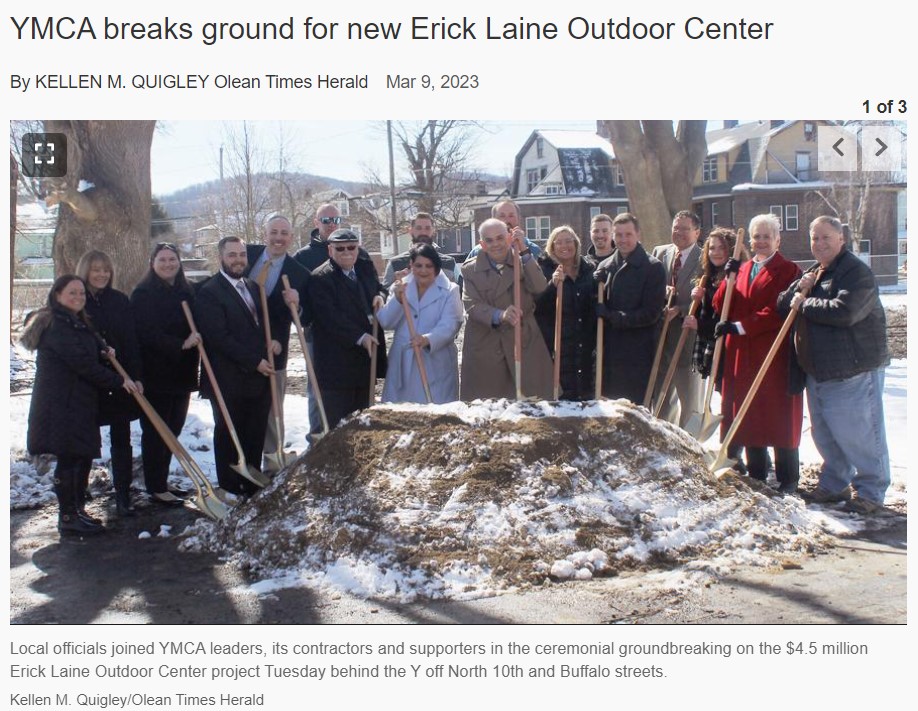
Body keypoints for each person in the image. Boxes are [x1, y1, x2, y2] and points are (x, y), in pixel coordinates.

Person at [777, 216, 890, 512]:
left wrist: (804, 304)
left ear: (841, 239)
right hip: (818, 370)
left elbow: (846, 311)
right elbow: (782, 305)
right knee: (825, 433)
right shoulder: (815, 273)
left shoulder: (856, 272)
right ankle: (834, 483)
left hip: (852, 369)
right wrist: (796, 290)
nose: (819, 243)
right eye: (815, 238)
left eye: (826, 237)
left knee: (861, 433)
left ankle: (870, 492)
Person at [23, 276, 138, 535]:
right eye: (72, 293)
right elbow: (82, 365)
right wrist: (120, 381)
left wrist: (103, 350)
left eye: (81, 293)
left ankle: (77, 510)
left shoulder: (76, 321)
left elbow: (86, 352)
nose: (78, 297)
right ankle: (67, 517)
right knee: (69, 458)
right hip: (62, 403)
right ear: (57, 295)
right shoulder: (58, 326)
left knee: (81, 456)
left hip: (79, 401)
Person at [713, 214, 803, 493]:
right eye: (756, 237)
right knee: (747, 412)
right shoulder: (742, 269)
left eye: (767, 236)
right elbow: (720, 305)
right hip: (741, 353)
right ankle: (757, 473)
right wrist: (727, 279)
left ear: (778, 239)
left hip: (771, 352)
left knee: (776, 414)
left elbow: (780, 311)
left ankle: (788, 477)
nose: (761, 242)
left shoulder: (788, 271)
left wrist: (741, 326)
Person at [195, 237, 273, 497]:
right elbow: (220, 338)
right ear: (221, 258)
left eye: (241, 254)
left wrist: (271, 344)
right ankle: (229, 487)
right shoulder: (209, 292)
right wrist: (254, 361)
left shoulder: (253, 287)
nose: (238, 259)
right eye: (232, 255)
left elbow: (258, 328)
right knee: (230, 434)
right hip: (227, 379)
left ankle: (250, 484)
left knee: (255, 431)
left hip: (257, 378)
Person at [130, 243, 200, 506]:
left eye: (173, 259)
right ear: (152, 263)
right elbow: (145, 333)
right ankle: (155, 485)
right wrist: (180, 344)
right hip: (156, 373)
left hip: (182, 372)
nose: (168, 264)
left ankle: (161, 479)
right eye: (163, 259)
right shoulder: (143, 294)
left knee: (174, 427)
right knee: (157, 430)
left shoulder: (186, 291)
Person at [76, 250, 143, 517]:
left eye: (105, 270)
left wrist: (135, 376)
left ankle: (123, 494)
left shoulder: (119, 300)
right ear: (85, 271)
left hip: (119, 380)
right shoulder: (77, 300)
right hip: (89, 381)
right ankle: (78, 495)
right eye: (96, 270)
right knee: (84, 440)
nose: (102, 274)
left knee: (121, 436)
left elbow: (131, 341)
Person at [460, 218, 553, 400]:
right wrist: (500, 315)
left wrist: (525, 253)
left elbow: (540, 287)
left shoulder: (524, 262)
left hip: (522, 341)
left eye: (500, 238)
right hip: (486, 344)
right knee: (489, 408)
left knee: (532, 405)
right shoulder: (470, 270)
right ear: (482, 244)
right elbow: (471, 305)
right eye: (489, 240)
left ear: (509, 238)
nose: (496, 244)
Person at [244, 213, 310, 468]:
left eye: (284, 234)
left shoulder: (299, 274)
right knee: (243, 409)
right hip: (241, 351)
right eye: (274, 232)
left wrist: (298, 305)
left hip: (275, 350)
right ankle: (246, 463)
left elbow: (305, 320)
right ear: (265, 234)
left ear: (291, 238)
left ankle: (272, 464)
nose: (278, 238)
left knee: (272, 412)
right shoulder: (245, 256)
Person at [307, 229, 388, 432]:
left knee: (363, 419)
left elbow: (378, 287)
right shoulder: (320, 278)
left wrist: (380, 296)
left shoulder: (365, 267)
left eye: (351, 247)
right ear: (330, 250)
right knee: (339, 426)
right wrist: (360, 337)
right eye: (340, 248)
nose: (346, 252)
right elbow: (330, 318)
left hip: (365, 361)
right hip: (336, 367)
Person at [377, 243, 464, 403]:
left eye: (428, 266)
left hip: (436, 364)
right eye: (418, 265)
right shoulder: (400, 288)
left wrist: (428, 339)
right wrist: (397, 299)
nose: (423, 270)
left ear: (436, 268)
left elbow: (451, 324)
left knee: (436, 418)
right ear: (411, 265)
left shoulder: (450, 291)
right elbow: (386, 321)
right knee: (402, 419)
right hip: (403, 366)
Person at [594, 213, 666, 403]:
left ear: (638, 235)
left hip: (637, 353)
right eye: (618, 235)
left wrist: (612, 316)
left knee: (633, 409)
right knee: (609, 406)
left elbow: (651, 314)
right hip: (609, 352)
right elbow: (599, 305)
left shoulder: (653, 267)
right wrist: (595, 289)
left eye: (628, 235)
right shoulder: (606, 266)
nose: (623, 240)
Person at [651, 210, 704, 427]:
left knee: (691, 400)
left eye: (685, 228)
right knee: (663, 396)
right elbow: (650, 286)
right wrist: (661, 291)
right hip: (663, 338)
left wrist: (682, 309)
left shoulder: (704, 258)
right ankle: (667, 441)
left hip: (689, 338)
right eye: (676, 227)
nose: (679, 232)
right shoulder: (660, 252)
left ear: (696, 232)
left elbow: (709, 297)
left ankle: (693, 444)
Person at [534, 226, 597, 400]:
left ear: (576, 244)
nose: (564, 246)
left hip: (584, 343)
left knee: (585, 395)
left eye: (569, 241)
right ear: (551, 246)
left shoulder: (589, 270)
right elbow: (537, 306)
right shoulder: (543, 270)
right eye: (559, 242)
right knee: (561, 396)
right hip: (557, 344)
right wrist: (552, 285)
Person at [383, 212, 456, 287]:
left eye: (427, 228)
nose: (423, 232)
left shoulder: (449, 263)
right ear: (410, 231)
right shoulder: (395, 264)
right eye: (419, 228)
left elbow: (459, 294)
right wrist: (397, 284)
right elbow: (384, 295)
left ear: (433, 231)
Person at [466, 200, 543, 261]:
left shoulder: (533, 250)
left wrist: (523, 250)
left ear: (519, 219)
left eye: (511, 216)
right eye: (502, 216)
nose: (507, 220)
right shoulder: (477, 252)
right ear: (493, 219)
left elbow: (540, 279)